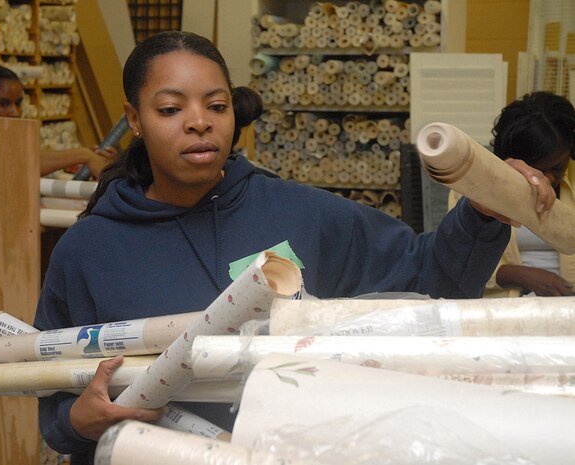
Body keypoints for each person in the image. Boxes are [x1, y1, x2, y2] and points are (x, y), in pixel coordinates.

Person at [33, 31, 555, 464]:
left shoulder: (300, 213)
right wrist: (80, 419)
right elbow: (55, 407)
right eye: (171, 108)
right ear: (136, 118)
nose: (198, 121)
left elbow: (431, 277)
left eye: (216, 105)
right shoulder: (89, 251)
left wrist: (483, 207)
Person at [448, 91, 574, 297]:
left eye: (558, 167)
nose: (549, 179)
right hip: (504, 309)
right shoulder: (475, 189)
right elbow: (459, 264)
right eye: (536, 170)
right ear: (511, 160)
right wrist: (518, 275)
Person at [0, 64, 115, 178]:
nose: (15, 112)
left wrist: (83, 159)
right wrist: (83, 156)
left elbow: (28, 158)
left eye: (18, 103)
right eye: (3, 104)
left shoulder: (8, 139)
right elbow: (20, 165)